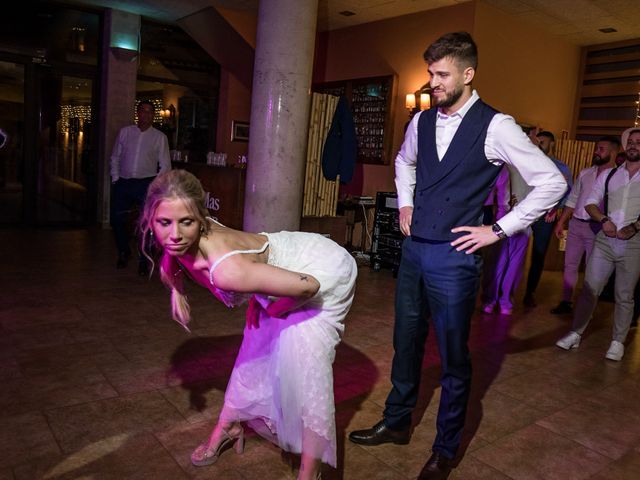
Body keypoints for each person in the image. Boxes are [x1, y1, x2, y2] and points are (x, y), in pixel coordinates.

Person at [347, 32, 566, 480]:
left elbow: (552, 183)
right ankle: (396, 422)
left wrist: (499, 229)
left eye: (441, 74)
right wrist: (405, 202)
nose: (432, 83)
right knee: (405, 344)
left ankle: (445, 449)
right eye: (430, 73)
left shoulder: (497, 125)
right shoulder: (421, 122)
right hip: (414, 252)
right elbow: (405, 162)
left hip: (455, 258)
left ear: (468, 74)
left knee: (452, 356)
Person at [139, 169, 357, 480]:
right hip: (283, 269)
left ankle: (310, 474)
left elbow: (309, 286)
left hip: (321, 269)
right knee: (254, 351)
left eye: (185, 222)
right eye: (164, 223)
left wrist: (275, 309)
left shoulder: (227, 270)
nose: (174, 234)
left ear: (201, 219)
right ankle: (229, 427)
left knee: (306, 371)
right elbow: (173, 255)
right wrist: (177, 289)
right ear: (151, 220)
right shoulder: (179, 235)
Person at [556, 129, 640, 361]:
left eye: (638, 143)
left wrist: (635, 227)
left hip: (634, 243)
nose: (634, 146)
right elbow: (591, 203)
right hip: (605, 240)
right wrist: (603, 219)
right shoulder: (610, 175)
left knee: (624, 294)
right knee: (590, 290)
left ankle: (617, 341)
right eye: (630, 142)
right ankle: (575, 333)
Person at [550, 136, 619, 314]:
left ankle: (587, 306)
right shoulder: (585, 173)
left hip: (597, 228)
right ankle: (566, 301)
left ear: (613, 152)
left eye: (601, 149)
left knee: (592, 268)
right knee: (570, 265)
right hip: (575, 225)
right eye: (597, 148)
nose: (597, 151)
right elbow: (573, 199)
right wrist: (561, 221)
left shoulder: (618, 177)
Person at [111, 100, 171, 275]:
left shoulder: (160, 137)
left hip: (146, 183)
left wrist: (154, 185)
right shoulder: (125, 133)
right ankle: (123, 250)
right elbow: (115, 157)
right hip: (123, 182)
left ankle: (144, 259)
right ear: (138, 113)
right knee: (116, 219)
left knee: (146, 223)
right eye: (143, 111)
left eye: (150, 111)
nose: (146, 114)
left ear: (153, 115)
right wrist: (115, 179)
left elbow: (165, 165)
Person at [522, 130, 573, 307]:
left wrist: (556, 208)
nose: (539, 144)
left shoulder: (562, 167)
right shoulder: (529, 162)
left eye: (542, 142)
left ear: (551, 144)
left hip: (546, 217)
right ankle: (506, 291)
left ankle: (530, 292)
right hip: (525, 212)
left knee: (538, 254)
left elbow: (568, 193)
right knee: (515, 252)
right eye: (537, 141)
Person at [481, 165, 532, 315]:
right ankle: (491, 299)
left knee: (514, 265)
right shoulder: (503, 166)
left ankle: (506, 300)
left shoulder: (534, 169)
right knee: (497, 261)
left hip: (523, 223)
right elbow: (501, 196)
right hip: (500, 220)